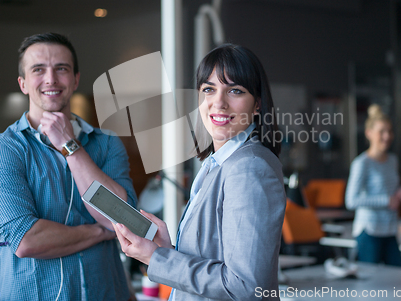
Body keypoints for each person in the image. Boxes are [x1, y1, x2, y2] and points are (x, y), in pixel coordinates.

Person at [113, 44, 286, 300]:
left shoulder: (249, 168)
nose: (219, 102)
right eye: (209, 89)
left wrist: (156, 258)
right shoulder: (217, 163)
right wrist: (165, 249)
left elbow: (246, 287)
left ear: (257, 104)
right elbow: (211, 259)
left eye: (235, 90)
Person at [0, 33, 137, 301]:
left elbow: (124, 220)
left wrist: (69, 145)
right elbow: (26, 240)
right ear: (23, 83)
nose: (51, 79)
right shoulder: (3, 150)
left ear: (75, 79)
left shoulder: (107, 144)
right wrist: (101, 231)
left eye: (61, 69)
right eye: (38, 70)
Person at [345, 104, 401, 266]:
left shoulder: (392, 160)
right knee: (370, 284)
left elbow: (389, 190)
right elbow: (351, 200)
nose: (387, 136)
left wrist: (400, 192)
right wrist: (386, 201)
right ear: (369, 133)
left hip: (390, 229)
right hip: (369, 230)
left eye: (390, 131)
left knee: (399, 280)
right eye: (382, 131)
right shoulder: (362, 163)